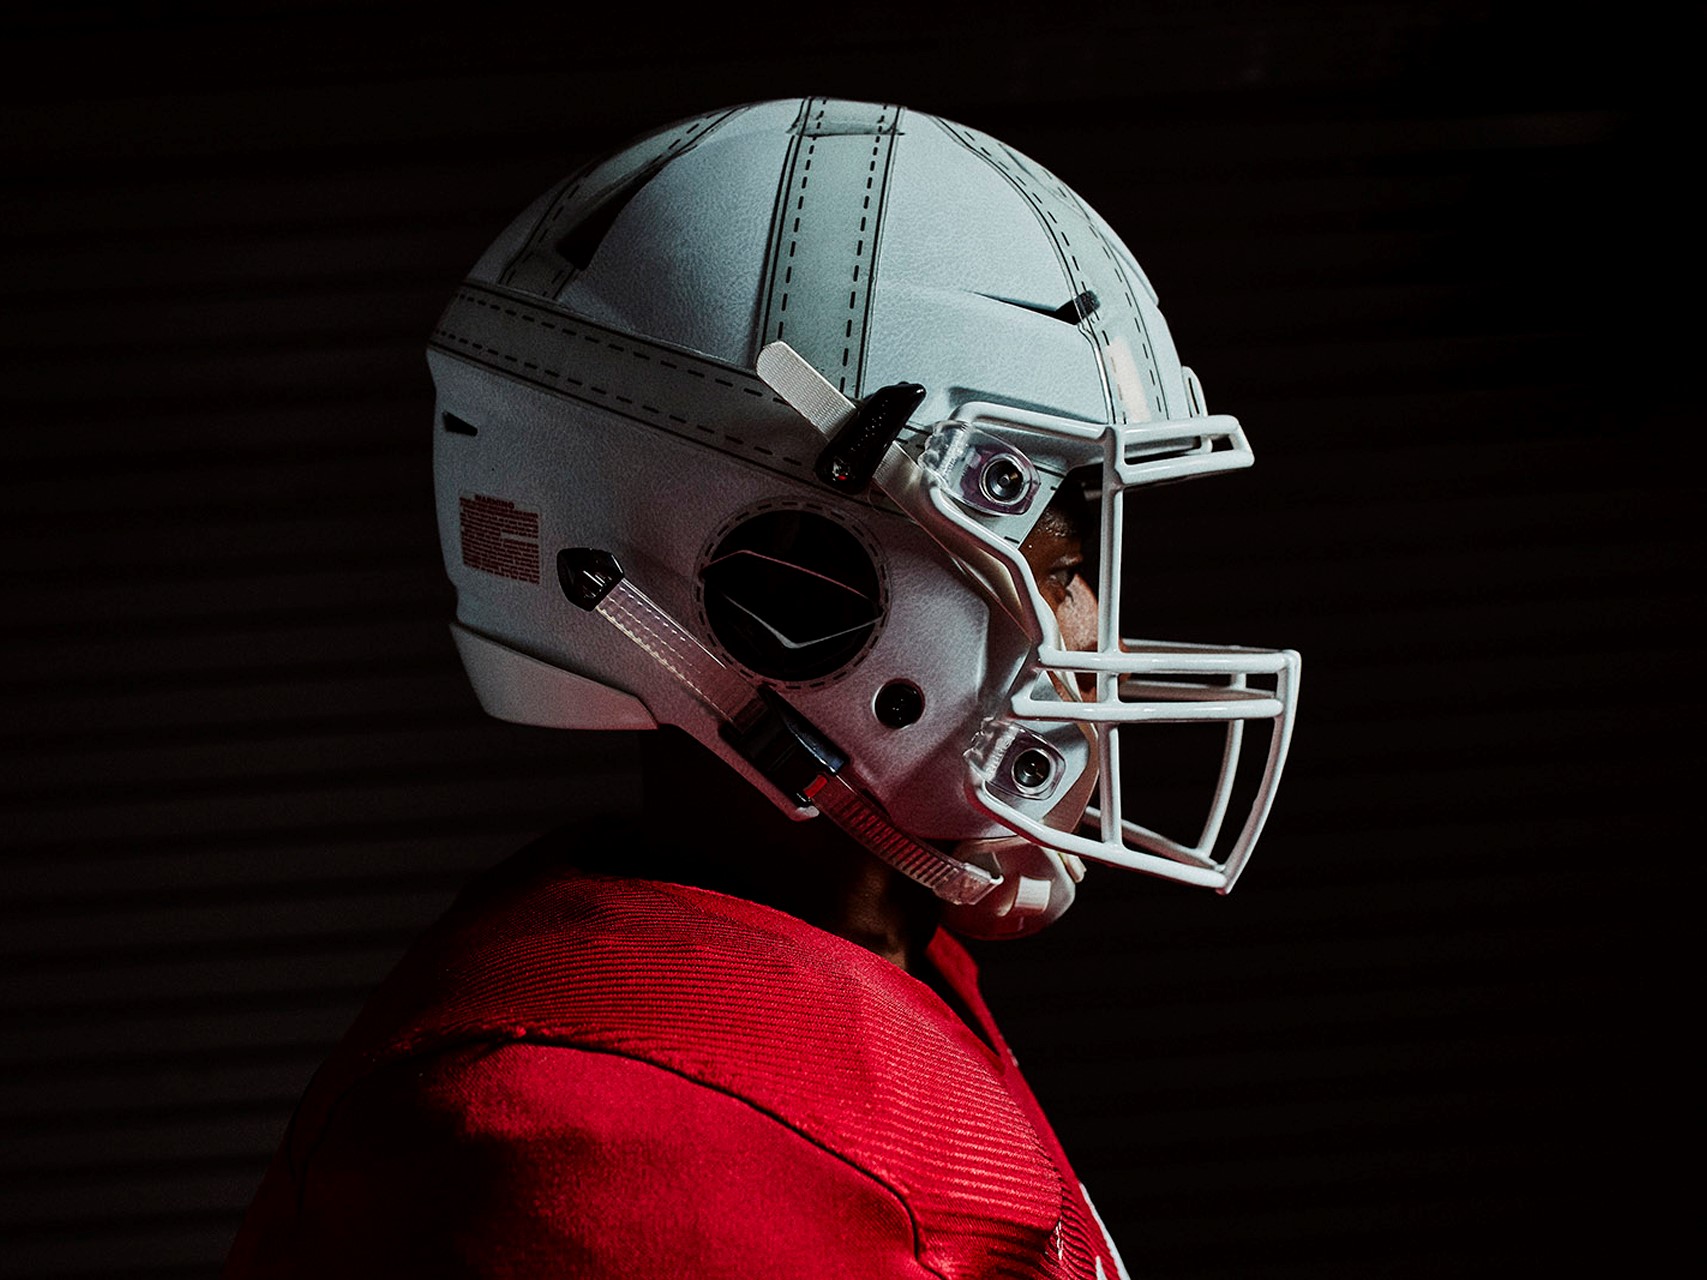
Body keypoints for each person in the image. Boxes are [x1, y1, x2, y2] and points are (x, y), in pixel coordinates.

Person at [224, 96, 1300, 1278]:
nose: (1095, 629)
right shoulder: (628, 1150)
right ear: (790, 597)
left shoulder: (844, 963)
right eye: (1056, 558)